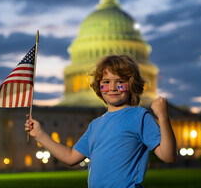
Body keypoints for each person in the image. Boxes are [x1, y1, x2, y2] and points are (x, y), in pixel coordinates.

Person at [25, 54, 177, 188]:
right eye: (106, 81)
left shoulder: (139, 116)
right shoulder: (95, 125)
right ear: (99, 86)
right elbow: (71, 157)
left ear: (131, 84)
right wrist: (40, 135)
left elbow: (168, 156)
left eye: (120, 81)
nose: (112, 87)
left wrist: (163, 117)